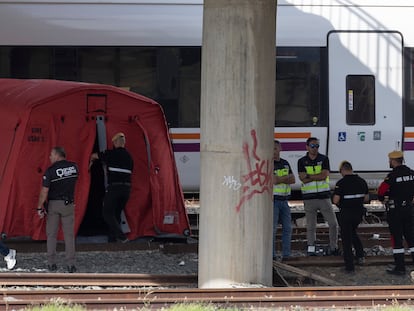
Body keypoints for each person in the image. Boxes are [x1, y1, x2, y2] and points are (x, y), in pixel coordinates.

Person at [36, 146, 79, 273]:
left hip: (54, 204)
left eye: (51, 155)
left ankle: (51, 263)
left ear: (56, 155)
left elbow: (44, 191)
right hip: (69, 204)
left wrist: (39, 207)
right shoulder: (74, 167)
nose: (49, 157)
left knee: (51, 235)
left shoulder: (50, 171)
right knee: (69, 235)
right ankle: (71, 264)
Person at [297, 137, 339, 256]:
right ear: (307, 147)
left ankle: (333, 247)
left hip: (324, 196)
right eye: (313, 146)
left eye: (317, 146)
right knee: (310, 225)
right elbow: (301, 178)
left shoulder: (324, 159)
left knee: (333, 223)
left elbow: (324, 175)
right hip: (309, 198)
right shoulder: (301, 161)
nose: (315, 148)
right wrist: (317, 175)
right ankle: (311, 247)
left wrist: (309, 176)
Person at [90, 132, 133, 243]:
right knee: (116, 213)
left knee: (107, 212)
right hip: (127, 190)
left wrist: (90, 163)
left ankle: (122, 237)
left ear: (115, 142)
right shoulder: (129, 157)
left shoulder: (111, 154)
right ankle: (112, 239)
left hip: (114, 188)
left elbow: (94, 156)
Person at [377, 150, 414, 275]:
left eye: (390, 161)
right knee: (411, 237)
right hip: (409, 209)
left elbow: (381, 191)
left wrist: (382, 198)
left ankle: (400, 267)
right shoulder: (411, 173)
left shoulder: (392, 176)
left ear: (393, 161)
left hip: (395, 211)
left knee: (397, 239)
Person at [332, 161, 369, 273]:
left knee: (346, 239)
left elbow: (335, 200)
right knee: (352, 233)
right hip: (358, 213)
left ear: (343, 170)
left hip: (346, 214)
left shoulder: (341, 183)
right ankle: (360, 255)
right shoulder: (362, 181)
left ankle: (349, 267)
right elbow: (366, 199)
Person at [272, 140, 296, 260]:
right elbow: (273, 180)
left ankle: (286, 255)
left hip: (285, 200)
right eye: (272, 149)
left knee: (287, 228)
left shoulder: (285, 163)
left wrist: (281, 178)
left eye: (275, 148)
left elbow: (293, 179)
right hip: (274, 200)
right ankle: (272, 255)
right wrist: (286, 178)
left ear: (280, 149)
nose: (274, 151)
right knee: (273, 229)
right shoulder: (269, 164)